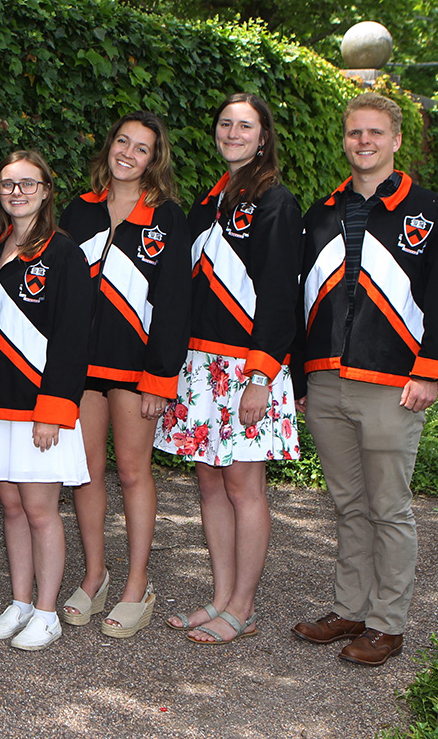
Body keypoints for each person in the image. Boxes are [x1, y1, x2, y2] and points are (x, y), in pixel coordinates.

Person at [292, 92, 438, 666]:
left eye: (374, 133)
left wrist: (431, 372)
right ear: (343, 140)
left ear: (395, 140)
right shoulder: (321, 213)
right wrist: (299, 375)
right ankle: (350, 607)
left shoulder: (429, 211)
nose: (362, 142)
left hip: (394, 384)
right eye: (353, 133)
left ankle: (388, 624)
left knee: (389, 507)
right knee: (347, 504)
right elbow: (298, 301)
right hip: (326, 382)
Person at [152, 93, 303, 645]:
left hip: (247, 370)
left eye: (246, 126)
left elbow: (283, 294)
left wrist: (262, 376)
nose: (233, 133)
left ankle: (242, 606)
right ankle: (219, 597)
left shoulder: (275, 201)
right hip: (200, 364)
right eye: (225, 124)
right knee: (210, 486)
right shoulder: (209, 201)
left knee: (244, 487)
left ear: (263, 138)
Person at [60, 112, 191, 638]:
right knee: (87, 472)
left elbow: (175, 301)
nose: (129, 153)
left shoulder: (168, 217)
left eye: (142, 148)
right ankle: (95, 576)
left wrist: (161, 377)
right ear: (109, 146)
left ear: (153, 159)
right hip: (81, 367)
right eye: (122, 142)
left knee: (134, 472)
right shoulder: (79, 209)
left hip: (137, 370)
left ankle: (138, 584)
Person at [0, 151, 91, 651]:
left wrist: (54, 407)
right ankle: (20, 601)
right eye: (8, 184)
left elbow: (72, 338)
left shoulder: (64, 253)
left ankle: (47, 612)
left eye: (27, 183)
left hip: (40, 405)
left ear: (47, 189)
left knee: (41, 510)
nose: (17, 191)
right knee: (10, 506)